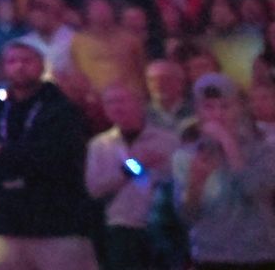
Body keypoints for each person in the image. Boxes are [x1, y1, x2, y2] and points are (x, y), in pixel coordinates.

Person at [0, 40, 97, 270]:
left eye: (27, 60)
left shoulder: (62, 109)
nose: (19, 67)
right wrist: (23, 155)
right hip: (5, 224)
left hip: (57, 225)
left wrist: (4, 153)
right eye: (12, 61)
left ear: (41, 65)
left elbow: (56, 158)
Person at [171, 73, 275, 269]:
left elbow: (256, 191)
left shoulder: (264, 148)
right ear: (198, 111)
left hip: (258, 253)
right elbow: (186, 215)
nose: (218, 114)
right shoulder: (185, 155)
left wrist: (229, 144)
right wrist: (196, 183)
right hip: (210, 255)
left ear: (239, 108)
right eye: (209, 107)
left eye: (225, 106)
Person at [85, 83, 177, 270]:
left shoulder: (168, 140)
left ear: (140, 103)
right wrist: (133, 167)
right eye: (110, 102)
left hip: (162, 226)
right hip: (122, 229)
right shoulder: (100, 145)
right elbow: (94, 189)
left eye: (122, 101)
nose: (116, 107)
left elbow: (176, 180)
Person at [72, 0, 146, 94]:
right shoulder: (79, 42)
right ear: (88, 14)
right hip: (97, 99)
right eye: (97, 9)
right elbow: (78, 72)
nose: (102, 13)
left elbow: (141, 68)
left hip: (131, 96)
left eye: (105, 8)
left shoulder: (129, 39)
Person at [144, 59, 193, 133]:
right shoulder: (141, 116)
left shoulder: (196, 112)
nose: (158, 85)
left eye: (165, 79)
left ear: (180, 83)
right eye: (152, 81)